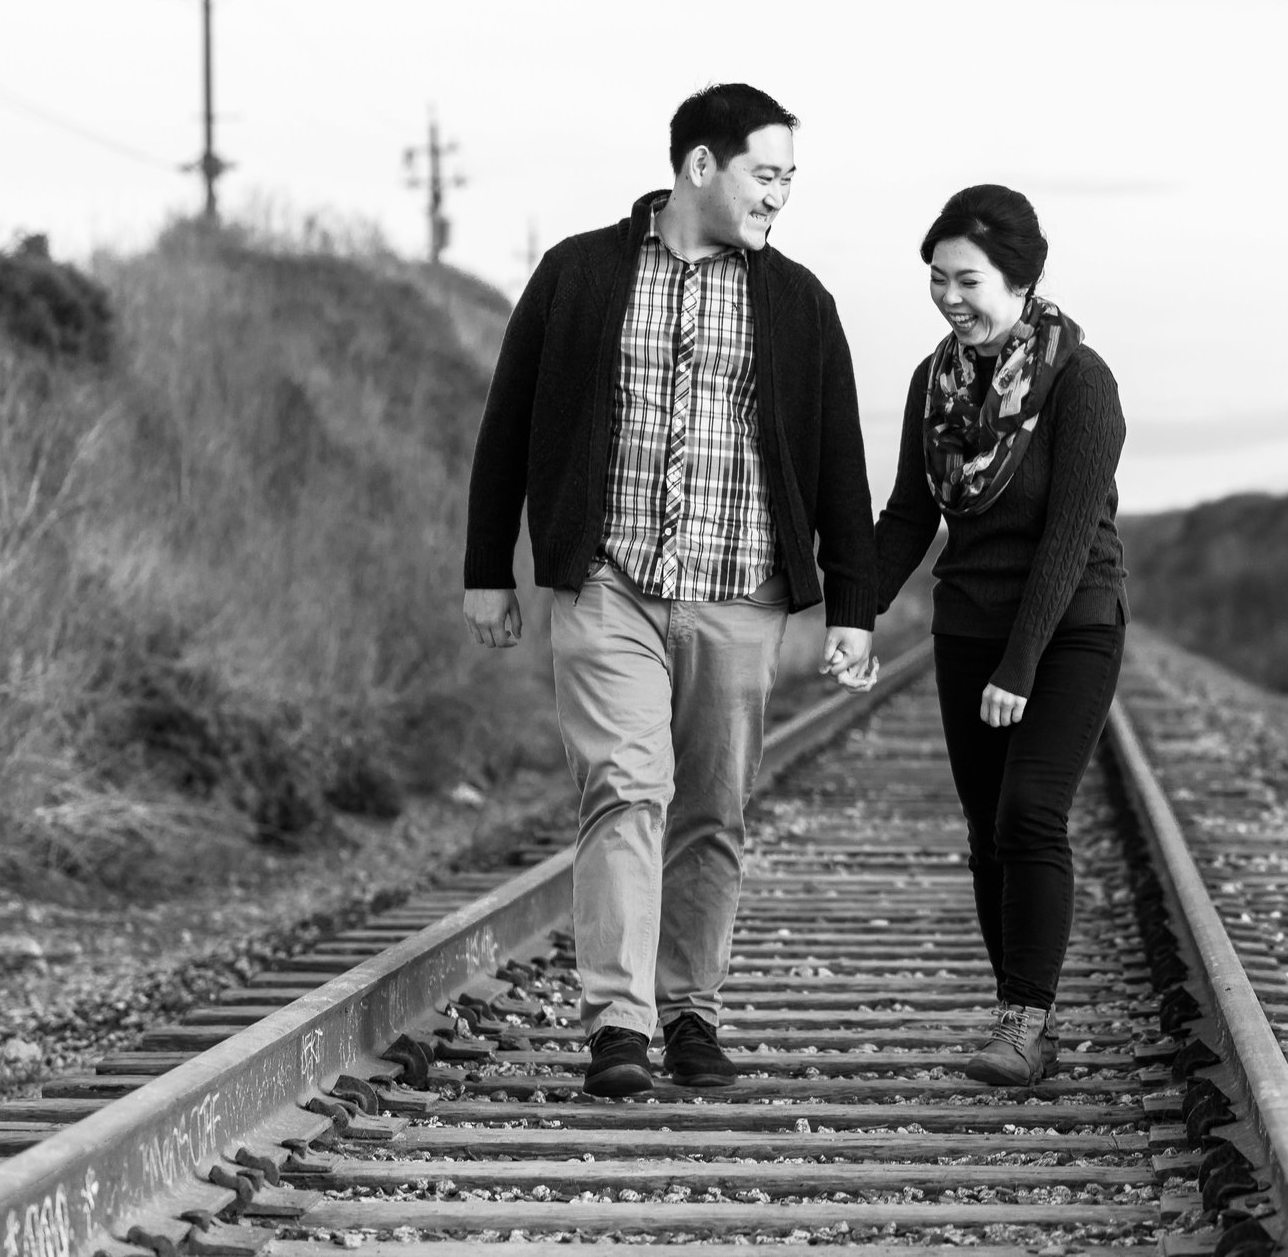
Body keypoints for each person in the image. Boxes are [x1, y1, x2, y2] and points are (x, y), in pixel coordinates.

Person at [461, 83, 877, 1098]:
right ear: (702, 165)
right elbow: (509, 421)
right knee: (624, 788)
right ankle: (619, 1020)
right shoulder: (578, 274)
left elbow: (837, 463)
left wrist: (854, 607)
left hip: (740, 594)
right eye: (765, 173)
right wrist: (487, 567)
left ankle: (691, 1008)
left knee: (712, 809)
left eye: (788, 177)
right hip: (609, 584)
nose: (779, 195)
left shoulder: (798, 302)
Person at [872, 184, 1128, 1086]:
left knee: (1030, 813)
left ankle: (1026, 1021)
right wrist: (853, 611)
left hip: (1069, 627)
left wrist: (1020, 662)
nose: (949, 298)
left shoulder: (1082, 384)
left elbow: (1066, 535)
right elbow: (909, 514)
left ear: (1020, 280)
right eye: (936, 279)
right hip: (968, 625)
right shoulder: (932, 383)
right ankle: (1018, 1016)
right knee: (986, 829)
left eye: (967, 280)